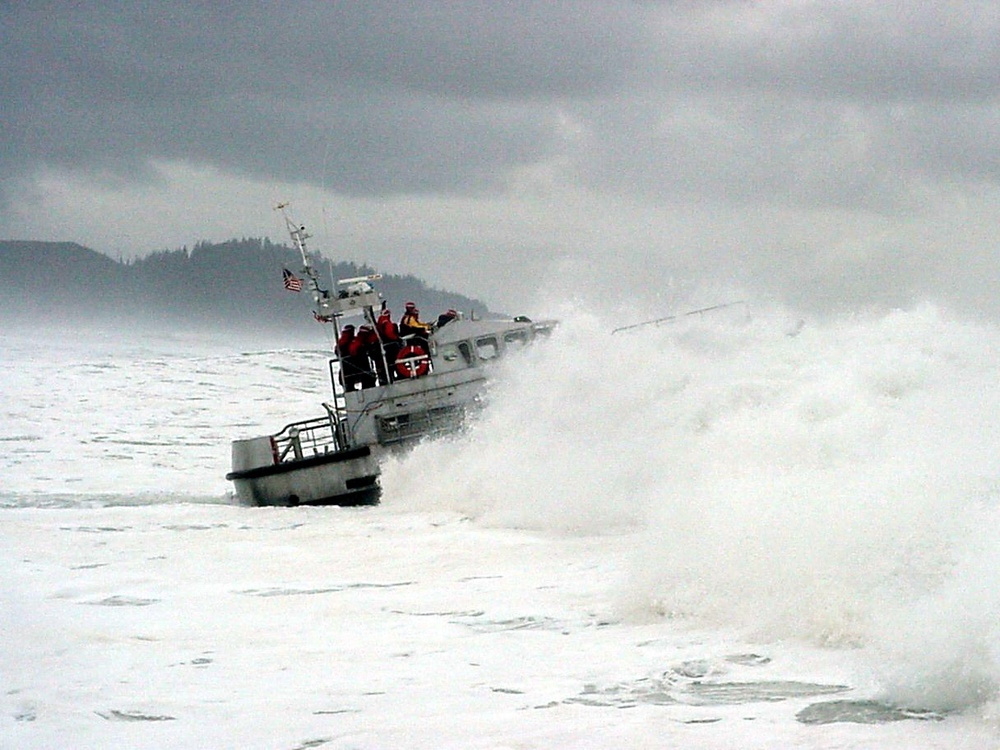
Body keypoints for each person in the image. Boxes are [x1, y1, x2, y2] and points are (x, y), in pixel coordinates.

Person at [376, 308, 402, 381]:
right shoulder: (386, 322)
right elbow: (389, 333)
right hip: (391, 345)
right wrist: (396, 338)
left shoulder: (380, 322)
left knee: (389, 363)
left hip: (385, 345)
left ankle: (389, 377)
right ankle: (399, 375)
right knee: (395, 360)